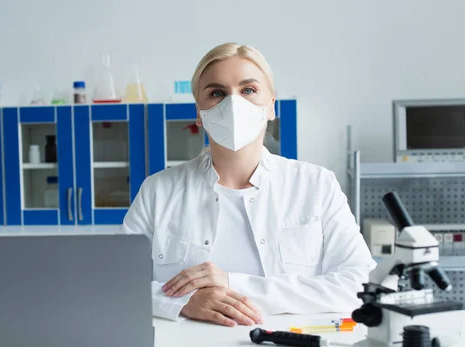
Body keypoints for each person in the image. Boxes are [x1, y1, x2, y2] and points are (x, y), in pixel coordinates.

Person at [122, 42, 376, 327]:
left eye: (248, 90)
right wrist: (184, 302)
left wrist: (234, 284)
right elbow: (116, 282)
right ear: (198, 113)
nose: (233, 104)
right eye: (217, 93)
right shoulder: (158, 191)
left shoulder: (316, 185)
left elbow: (358, 285)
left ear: (271, 107)